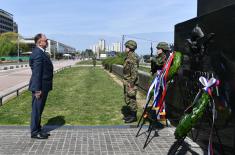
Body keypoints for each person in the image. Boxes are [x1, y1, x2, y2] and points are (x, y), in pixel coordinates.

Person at [28, 33, 54, 139]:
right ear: (40, 42)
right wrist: (37, 89)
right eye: (46, 40)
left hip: (43, 86)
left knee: (39, 109)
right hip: (40, 88)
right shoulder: (38, 53)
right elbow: (37, 73)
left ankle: (38, 129)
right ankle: (34, 132)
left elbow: (33, 67)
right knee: (37, 110)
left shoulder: (41, 52)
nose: (47, 42)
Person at [122, 40, 139, 123]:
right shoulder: (128, 56)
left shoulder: (133, 57)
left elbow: (134, 72)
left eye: (126, 47)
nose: (125, 48)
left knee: (132, 98)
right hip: (127, 81)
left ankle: (134, 116)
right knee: (128, 98)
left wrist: (131, 83)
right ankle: (130, 114)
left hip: (131, 82)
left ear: (130, 47)